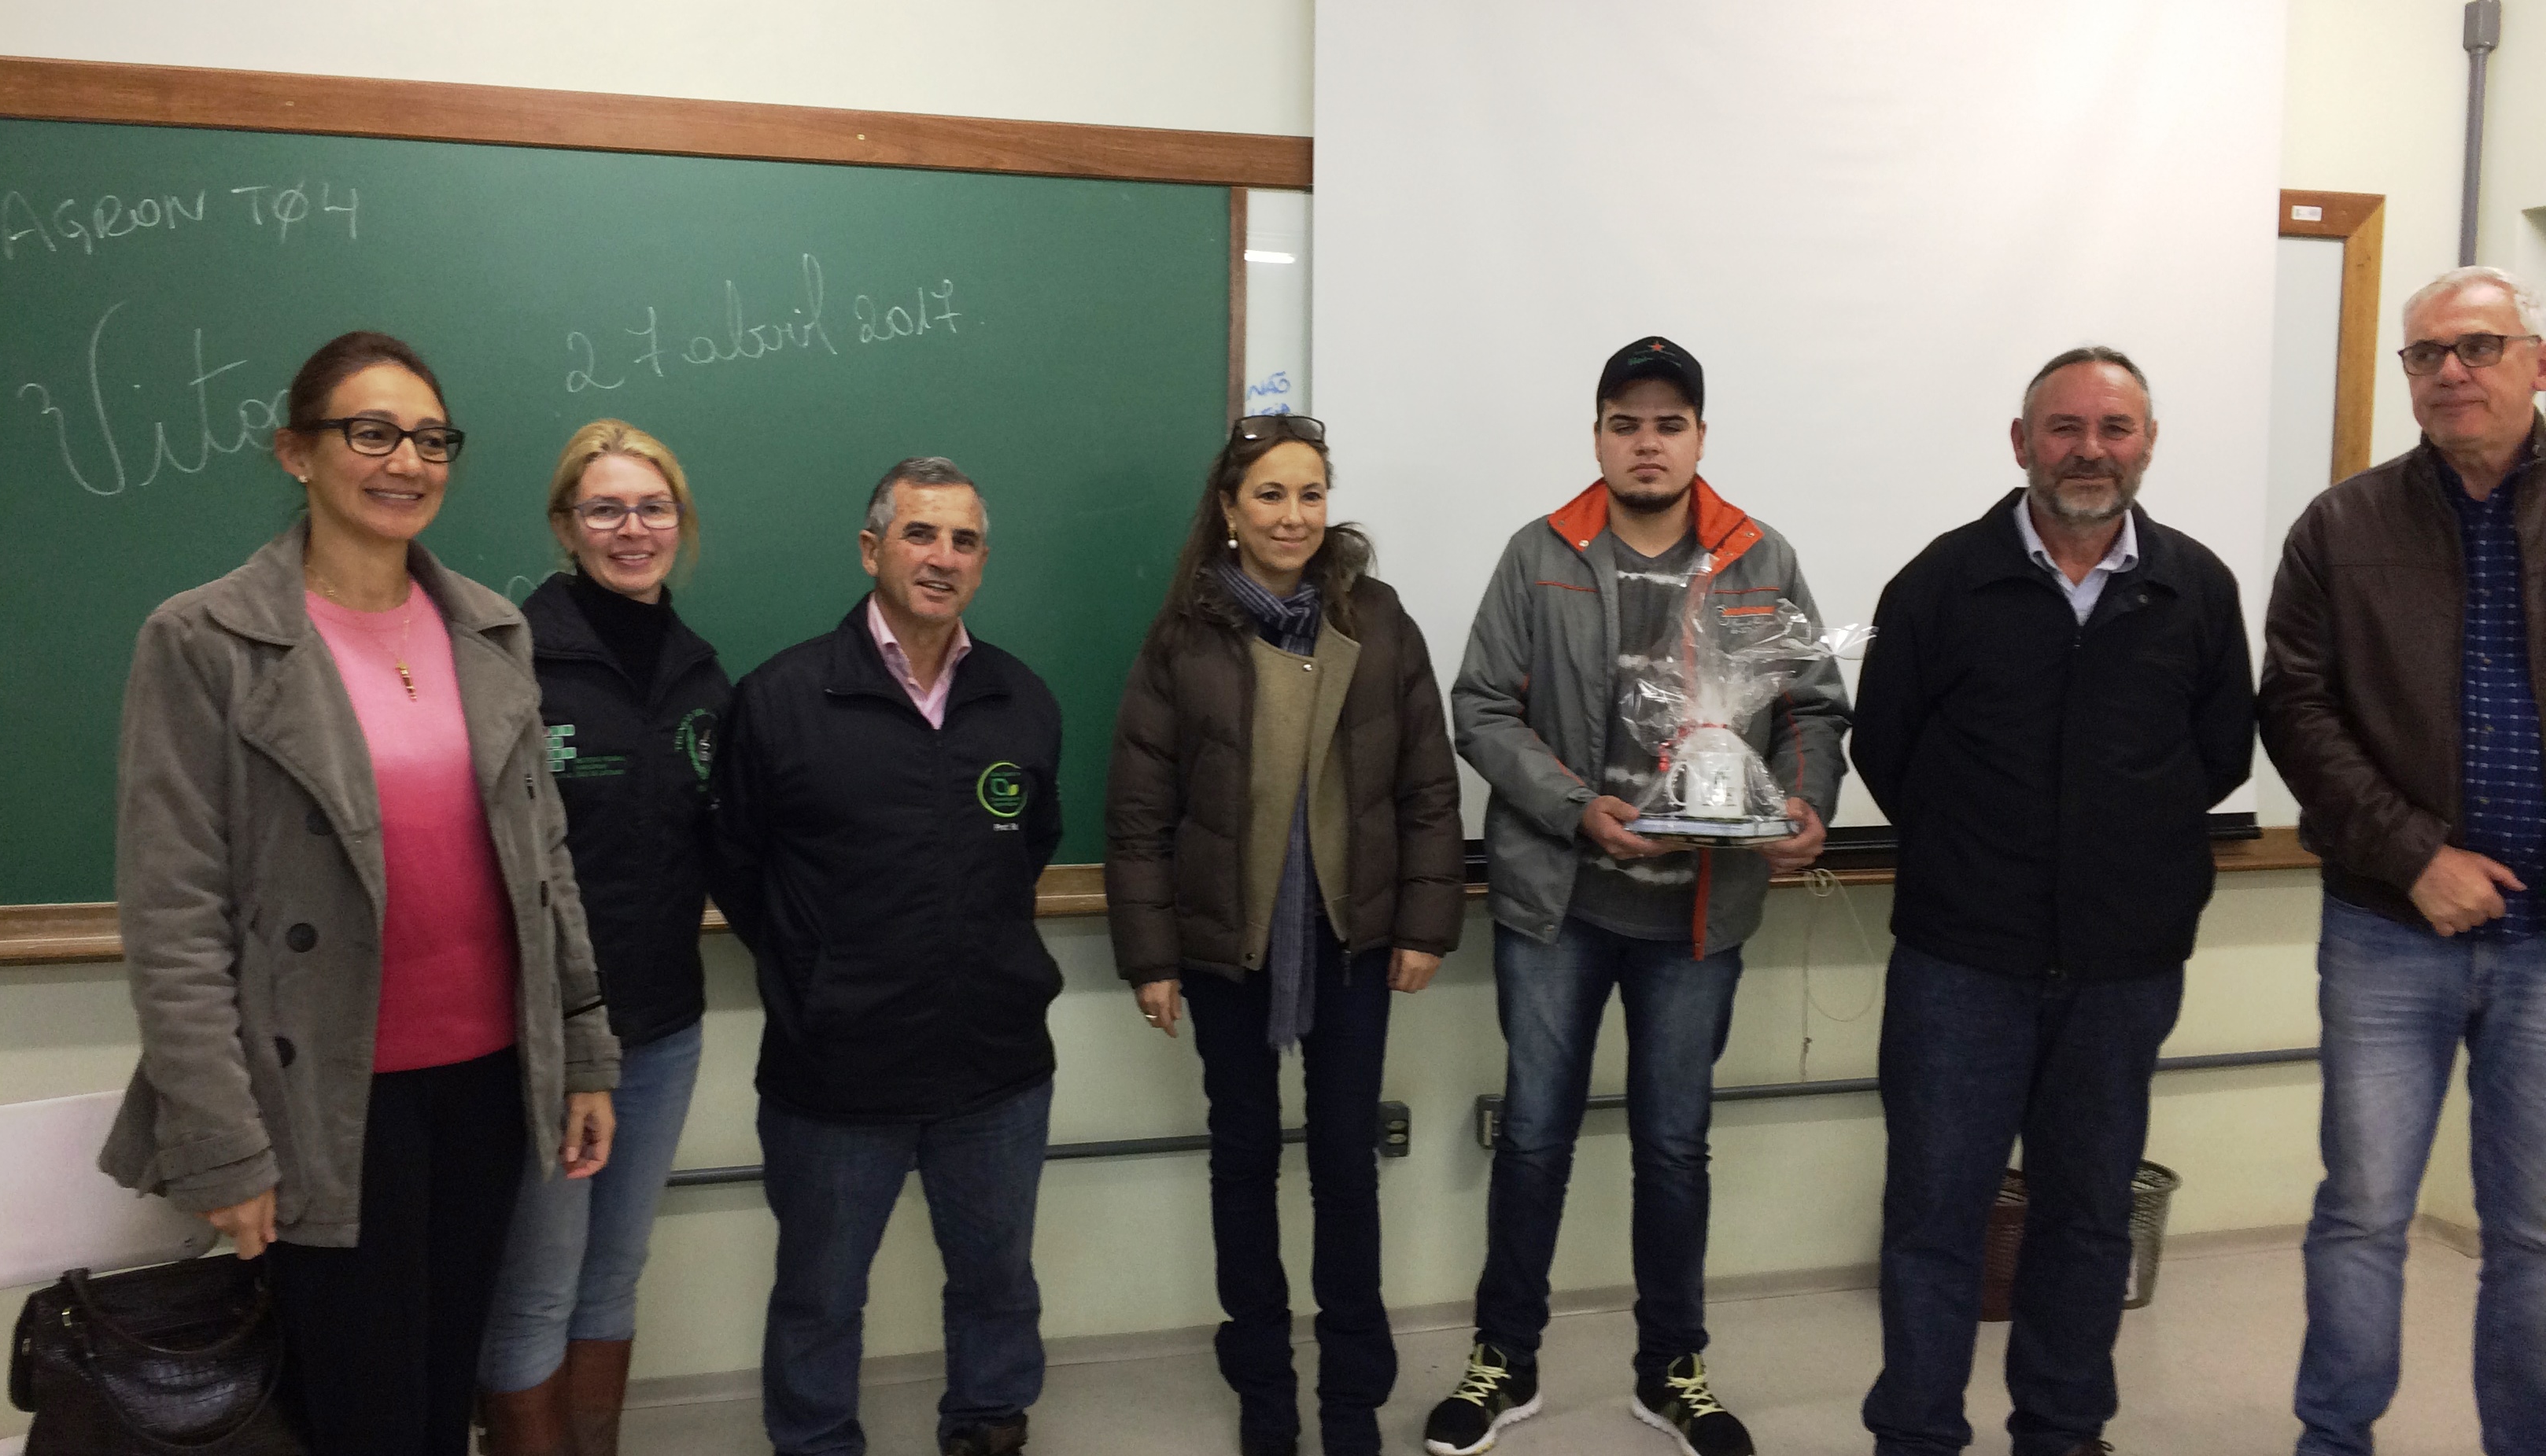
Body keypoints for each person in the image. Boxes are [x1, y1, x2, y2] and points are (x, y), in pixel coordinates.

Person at [97, 330, 621, 1456]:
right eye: (372, 432)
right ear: (297, 451)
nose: (408, 461)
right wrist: (222, 1142)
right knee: (358, 1412)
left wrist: (583, 1049)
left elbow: (545, 864)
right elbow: (174, 917)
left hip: (486, 1083)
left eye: (432, 439)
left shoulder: (490, 629)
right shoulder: (205, 639)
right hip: (325, 1103)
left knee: (441, 1394)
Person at [1426, 337, 1847, 1456]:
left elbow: (1811, 707)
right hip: (1559, 906)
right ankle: (1505, 1358)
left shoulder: (1761, 556)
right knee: (1533, 1136)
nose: (1647, 444)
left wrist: (1804, 804)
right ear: (1599, 436)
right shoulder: (1540, 553)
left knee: (1673, 1146)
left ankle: (1673, 1371)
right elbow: (1481, 706)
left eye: (1669, 424)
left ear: (1701, 436)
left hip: (1698, 916)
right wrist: (1577, 808)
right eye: (1626, 423)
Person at [1849, 347, 2253, 1456]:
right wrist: (1985, 858)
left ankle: (2064, 1431)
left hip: (2123, 967)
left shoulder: (2196, 587)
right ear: (2021, 442)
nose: (2090, 449)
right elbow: (1886, 747)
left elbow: (2219, 753)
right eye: (2065, 427)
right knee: (1935, 1218)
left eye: (2115, 428)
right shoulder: (1939, 581)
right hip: (1960, 962)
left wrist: (2116, 855)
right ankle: (1917, 1435)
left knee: (2086, 1216)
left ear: (2147, 444)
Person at [1106, 415, 1464, 1456]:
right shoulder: (1184, 636)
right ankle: (1264, 1386)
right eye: (1269, 493)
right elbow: (1138, 809)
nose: (1293, 515)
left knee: (1347, 1164)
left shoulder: (1379, 621)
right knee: (1243, 1159)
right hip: (1228, 951)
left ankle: (1351, 1397)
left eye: (1310, 493)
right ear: (1230, 508)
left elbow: (1428, 786)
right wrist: (1151, 957)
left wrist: (1425, 923)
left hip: (1352, 945)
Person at [710, 457, 1063, 1456]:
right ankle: (816, 1440)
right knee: (819, 1296)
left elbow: (1032, 848)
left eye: (963, 541)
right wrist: (823, 973)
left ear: (982, 563)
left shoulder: (1022, 699)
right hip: (835, 1072)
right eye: (920, 534)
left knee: (998, 1281)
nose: (942, 557)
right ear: (872, 549)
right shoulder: (781, 697)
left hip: (995, 1067)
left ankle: (988, 1425)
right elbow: (737, 866)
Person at [2261, 265, 2546, 1456]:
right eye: (2426, 354)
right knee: (2365, 1211)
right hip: (2389, 924)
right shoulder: (2343, 524)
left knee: (2534, 1233)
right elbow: (2296, 709)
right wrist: (2417, 855)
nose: (2450, 371)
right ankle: (2336, 1439)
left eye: (2478, 346)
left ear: (2537, 361)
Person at [475, 420, 733, 1455]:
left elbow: (728, 842)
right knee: (538, 1284)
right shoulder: (511, 657)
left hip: (664, 1027)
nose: (633, 529)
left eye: (653, 507)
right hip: (543, 1033)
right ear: (565, 526)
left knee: (615, 1271)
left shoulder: (702, 674)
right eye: (606, 509)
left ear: (682, 522)